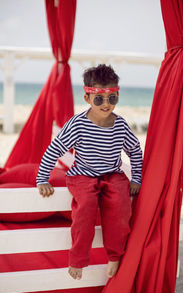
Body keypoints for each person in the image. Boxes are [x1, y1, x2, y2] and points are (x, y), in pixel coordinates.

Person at [36, 64, 143, 281]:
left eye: (112, 98)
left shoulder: (120, 125)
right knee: (85, 207)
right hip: (82, 174)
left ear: (117, 96)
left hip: (112, 174)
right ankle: (78, 258)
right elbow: (55, 148)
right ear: (87, 98)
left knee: (121, 206)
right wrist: (42, 178)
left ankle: (115, 255)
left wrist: (137, 177)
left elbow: (134, 150)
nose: (106, 104)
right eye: (99, 99)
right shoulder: (78, 124)